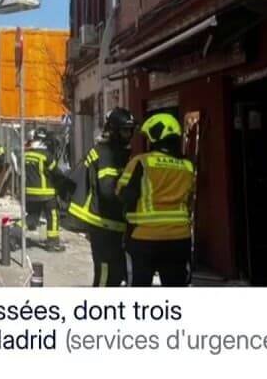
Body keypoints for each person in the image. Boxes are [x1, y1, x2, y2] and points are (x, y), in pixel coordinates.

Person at [117, 113, 196, 287]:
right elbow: (190, 198)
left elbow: (123, 194)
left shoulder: (141, 162)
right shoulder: (188, 166)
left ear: (154, 137)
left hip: (144, 238)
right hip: (179, 238)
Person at [68, 107, 135, 286]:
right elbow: (108, 191)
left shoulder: (109, 149)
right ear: (113, 129)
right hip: (104, 223)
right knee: (106, 273)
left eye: (130, 130)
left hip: (111, 223)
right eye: (124, 130)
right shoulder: (107, 153)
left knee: (117, 272)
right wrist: (132, 199)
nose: (128, 135)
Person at [24, 127, 65, 251]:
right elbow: (56, 173)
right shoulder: (46, 155)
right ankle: (53, 243)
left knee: (32, 217)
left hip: (30, 193)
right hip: (46, 193)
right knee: (53, 215)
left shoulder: (28, 154)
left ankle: (13, 232)